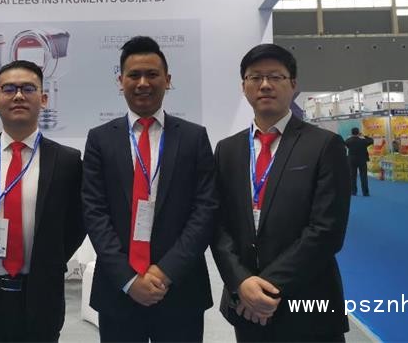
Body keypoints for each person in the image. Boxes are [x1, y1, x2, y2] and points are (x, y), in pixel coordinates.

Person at [211, 43, 351, 342]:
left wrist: (267, 287)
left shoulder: (324, 145)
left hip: (308, 303)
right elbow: (218, 225)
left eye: (275, 76)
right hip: (246, 306)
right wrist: (241, 283)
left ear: (293, 84)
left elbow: (327, 230)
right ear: (244, 86)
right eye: (255, 77)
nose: (265, 85)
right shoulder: (228, 150)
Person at [82, 36, 217, 342]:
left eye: (152, 74)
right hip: (119, 290)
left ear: (167, 80)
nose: (143, 83)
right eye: (134, 75)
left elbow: (205, 209)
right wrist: (128, 279)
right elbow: (94, 211)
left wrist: (165, 272)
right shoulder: (100, 139)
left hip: (180, 288)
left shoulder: (193, 137)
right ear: (121, 81)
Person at [0, 60, 85, 342]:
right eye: (9, 89)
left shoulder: (67, 161)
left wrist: (50, 258)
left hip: (39, 294)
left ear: (44, 99)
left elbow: (77, 224)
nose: (19, 96)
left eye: (28, 88)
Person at [345, 127, 374, 197]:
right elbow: (371, 140)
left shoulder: (348, 140)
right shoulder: (363, 141)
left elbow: (345, 144)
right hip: (362, 160)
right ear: (358, 133)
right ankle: (365, 193)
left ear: (351, 133)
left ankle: (353, 191)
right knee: (363, 176)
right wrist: (364, 135)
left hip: (352, 160)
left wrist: (350, 137)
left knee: (352, 176)